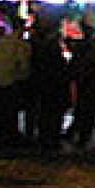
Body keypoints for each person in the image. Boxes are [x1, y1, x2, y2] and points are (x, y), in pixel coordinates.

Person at [30, 21, 72, 151]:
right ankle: (51, 138)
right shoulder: (53, 52)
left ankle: (46, 138)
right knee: (53, 115)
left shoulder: (39, 50)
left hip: (46, 88)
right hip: (54, 88)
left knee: (46, 114)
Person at [0, 23, 30, 145]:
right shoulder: (19, 45)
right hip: (13, 80)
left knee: (2, 109)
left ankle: (0, 133)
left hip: (0, 80)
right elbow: (23, 65)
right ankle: (11, 134)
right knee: (12, 110)